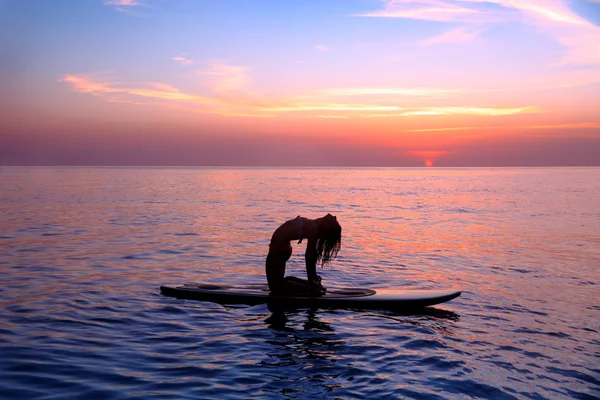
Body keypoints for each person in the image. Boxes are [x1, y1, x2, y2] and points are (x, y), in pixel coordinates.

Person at [266, 213, 341, 295]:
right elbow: (311, 255)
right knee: (279, 282)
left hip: (279, 249)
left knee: (275, 287)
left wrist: (312, 277)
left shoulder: (313, 228)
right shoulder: (313, 225)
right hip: (282, 248)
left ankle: (311, 287)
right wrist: (312, 277)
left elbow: (310, 255)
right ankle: (311, 286)